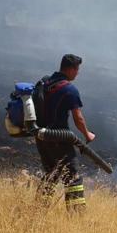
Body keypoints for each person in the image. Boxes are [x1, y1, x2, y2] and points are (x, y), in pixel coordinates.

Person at [35, 53, 95, 211]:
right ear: (70, 69)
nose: (78, 73)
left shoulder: (45, 82)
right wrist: (87, 134)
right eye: (77, 69)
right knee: (73, 177)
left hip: (41, 138)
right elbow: (78, 118)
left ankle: (39, 209)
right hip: (59, 139)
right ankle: (76, 216)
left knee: (51, 174)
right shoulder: (69, 89)